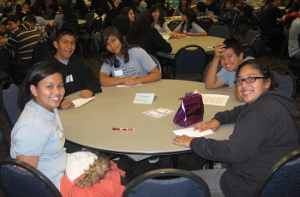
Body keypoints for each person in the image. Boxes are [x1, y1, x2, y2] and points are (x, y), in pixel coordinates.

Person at [173, 59, 299, 197]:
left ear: (267, 82)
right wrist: (218, 119)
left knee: (186, 184)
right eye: (240, 80)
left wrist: (194, 142)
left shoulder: (261, 113)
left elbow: (231, 152)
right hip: (271, 173)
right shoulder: (271, 101)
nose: (244, 85)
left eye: (251, 79)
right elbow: (241, 110)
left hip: (249, 185)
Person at [10, 62, 68, 189]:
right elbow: (25, 179)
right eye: (50, 86)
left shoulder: (46, 107)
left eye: (60, 85)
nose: (57, 92)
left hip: (61, 171)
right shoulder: (32, 128)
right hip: (53, 186)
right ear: (34, 90)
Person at [45, 27, 102, 109]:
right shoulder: (47, 67)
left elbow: (93, 80)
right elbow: (39, 95)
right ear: (56, 44)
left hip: (81, 107)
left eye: (73, 43)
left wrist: (90, 89)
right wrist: (59, 101)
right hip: (58, 113)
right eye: (65, 42)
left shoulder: (76, 61)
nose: (69, 46)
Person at [0, 14, 41, 84]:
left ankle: (13, 84)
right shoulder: (31, 28)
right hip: (37, 61)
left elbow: (7, 47)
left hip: (25, 63)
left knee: (8, 62)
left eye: (11, 24)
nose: (9, 27)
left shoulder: (16, 32)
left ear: (18, 22)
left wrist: (1, 42)